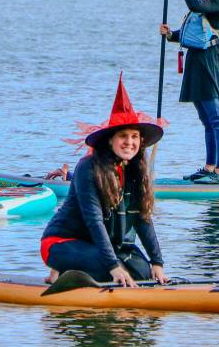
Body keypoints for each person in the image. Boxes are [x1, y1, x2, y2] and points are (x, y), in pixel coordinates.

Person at [40, 75, 168, 287]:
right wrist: (113, 266)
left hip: (96, 245)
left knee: (142, 272)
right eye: (123, 136)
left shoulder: (135, 170)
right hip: (61, 243)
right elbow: (94, 220)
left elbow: (142, 218)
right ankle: (62, 268)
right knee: (112, 270)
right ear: (110, 140)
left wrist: (157, 262)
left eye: (134, 137)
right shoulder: (88, 167)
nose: (129, 142)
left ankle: (88, 268)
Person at [159, 0, 219, 184]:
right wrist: (171, 34)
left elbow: (195, 6)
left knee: (216, 118)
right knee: (205, 119)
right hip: (195, 61)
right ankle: (209, 167)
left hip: (210, 61)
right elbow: (191, 33)